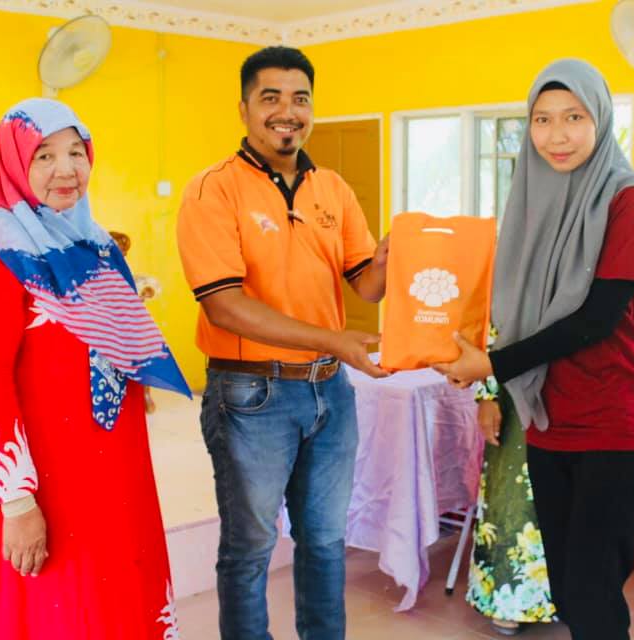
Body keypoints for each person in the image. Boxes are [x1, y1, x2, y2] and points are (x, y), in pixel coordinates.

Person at [0, 98, 191, 639]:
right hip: (37, 479)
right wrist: (17, 502)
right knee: (55, 612)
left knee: (116, 600)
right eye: (44, 155)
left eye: (77, 152)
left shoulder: (94, 243)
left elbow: (118, 346)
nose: (66, 169)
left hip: (112, 465)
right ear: (13, 160)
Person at [434, 59, 634, 640]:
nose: (557, 135)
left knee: (592, 595)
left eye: (573, 117)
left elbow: (597, 320)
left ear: (600, 119)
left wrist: (490, 366)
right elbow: (506, 309)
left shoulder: (631, 200)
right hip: (546, 419)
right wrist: (486, 378)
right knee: (565, 586)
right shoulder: (533, 199)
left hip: (611, 422)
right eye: (542, 119)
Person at [176, 46, 388, 640]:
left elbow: (367, 284)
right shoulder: (211, 190)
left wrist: (396, 258)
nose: (287, 112)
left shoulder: (333, 188)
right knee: (250, 547)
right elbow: (225, 305)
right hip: (252, 396)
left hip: (330, 393)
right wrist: (335, 340)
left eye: (300, 99)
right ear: (244, 108)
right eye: (270, 98)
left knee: (325, 541)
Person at [465, 332, 557, 636]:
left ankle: (565, 595)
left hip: (572, 378)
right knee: (513, 492)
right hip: (514, 384)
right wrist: (488, 394)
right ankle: (509, 598)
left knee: (567, 492)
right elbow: (492, 323)